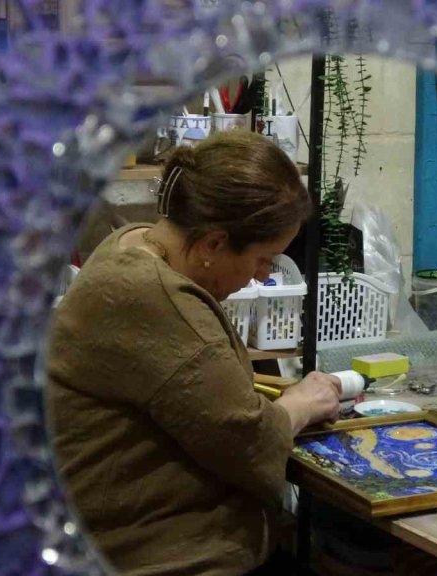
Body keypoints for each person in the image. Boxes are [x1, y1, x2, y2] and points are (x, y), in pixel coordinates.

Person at [46, 129, 342, 576]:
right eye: (263, 258)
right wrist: (301, 404)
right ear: (213, 244)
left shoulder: (130, 242)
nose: (263, 276)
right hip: (152, 557)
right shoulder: (155, 298)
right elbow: (248, 442)